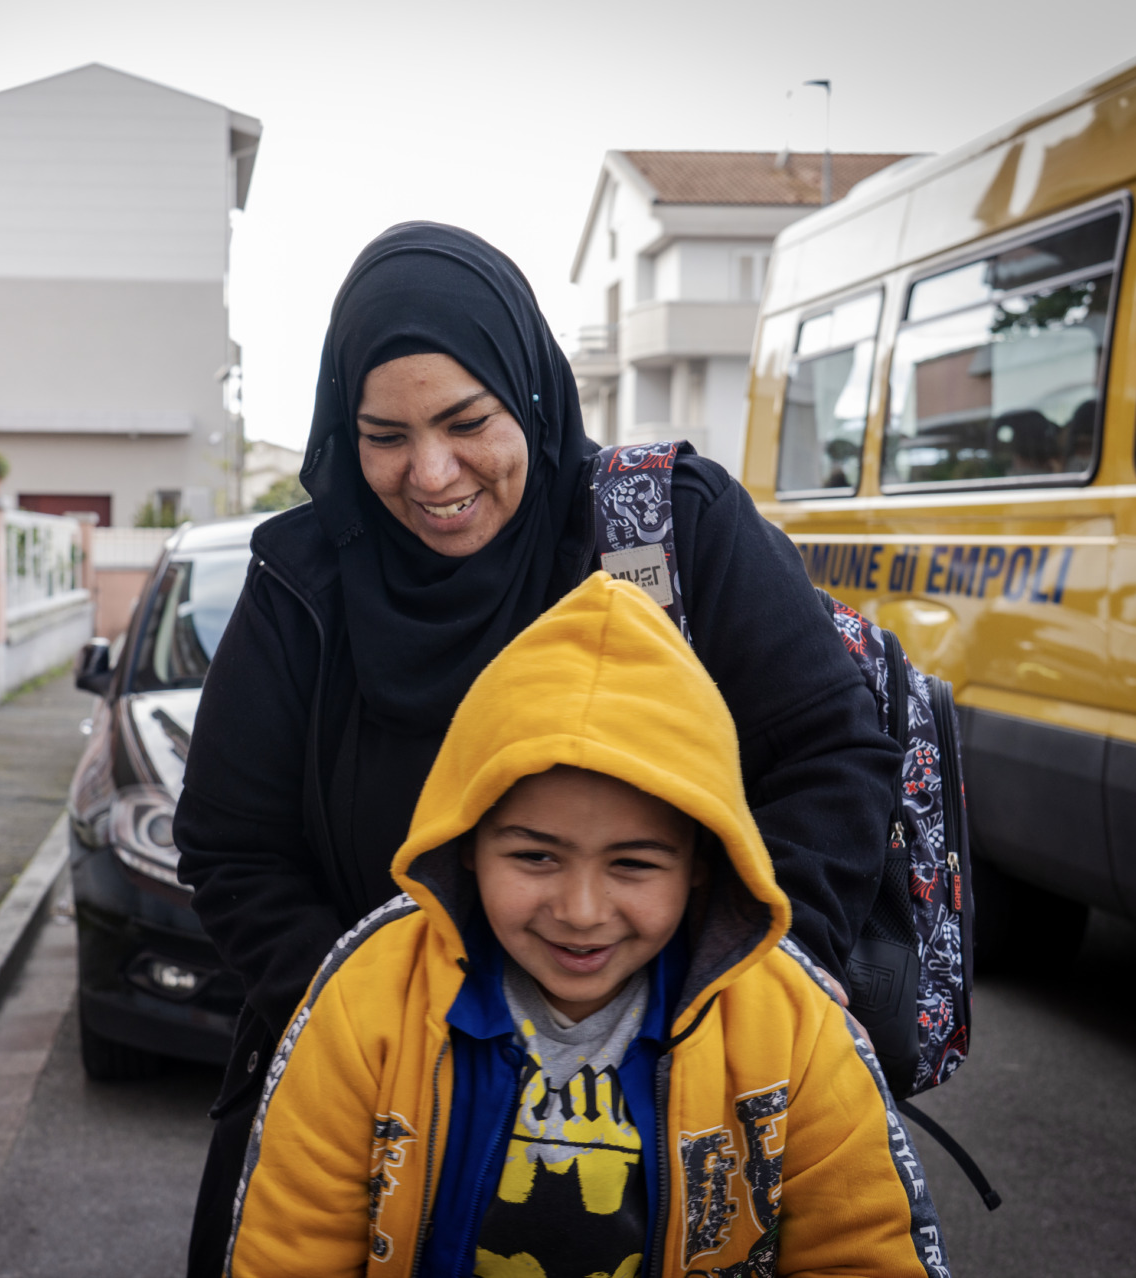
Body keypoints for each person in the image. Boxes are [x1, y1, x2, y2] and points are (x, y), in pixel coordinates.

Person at [175, 222, 901, 1275]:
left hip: (687, 1100)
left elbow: (834, 752)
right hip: (374, 1122)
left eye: (468, 421)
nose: (431, 473)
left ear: (531, 392)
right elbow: (232, 848)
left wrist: (745, 991)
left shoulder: (666, 529)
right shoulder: (302, 583)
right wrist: (378, 1037)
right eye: (385, 435)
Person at [224, 575, 947, 1278]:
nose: (580, 910)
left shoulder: (792, 1026)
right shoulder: (368, 996)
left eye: (633, 865)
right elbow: (292, 1250)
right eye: (535, 856)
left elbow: (860, 1252)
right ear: (467, 842)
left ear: (703, 861)